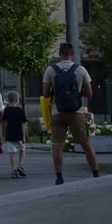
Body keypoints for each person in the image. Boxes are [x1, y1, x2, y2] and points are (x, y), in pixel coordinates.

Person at [43, 42, 99, 184]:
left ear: (59, 54)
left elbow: (45, 94)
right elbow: (90, 93)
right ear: (72, 55)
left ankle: (59, 176)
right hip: (76, 111)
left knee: (58, 145)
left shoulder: (51, 70)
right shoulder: (80, 69)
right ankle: (95, 173)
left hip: (58, 112)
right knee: (86, 143)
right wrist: (77, 94)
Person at [2, 91, 28, 178]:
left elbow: (4, 121)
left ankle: (13, 170)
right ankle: (20, 165)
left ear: (8, 100)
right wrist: (24, 135)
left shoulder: (7, 110)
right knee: (22, 149)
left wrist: (3, 133)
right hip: (19, 133)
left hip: (10, 133)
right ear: (17, 100)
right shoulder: (20, 111)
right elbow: (23, 124)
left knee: (12, 153)